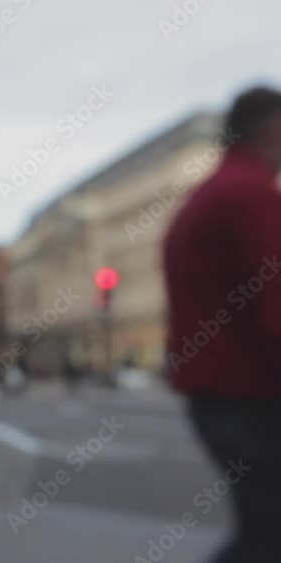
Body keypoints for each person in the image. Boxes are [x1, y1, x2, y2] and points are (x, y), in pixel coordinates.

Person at [163, 86, 281, 563]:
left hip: (217, 395)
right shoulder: (252, 195)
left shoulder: (203, 199)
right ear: (272, 128)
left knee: (263, 530)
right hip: (252, 395)